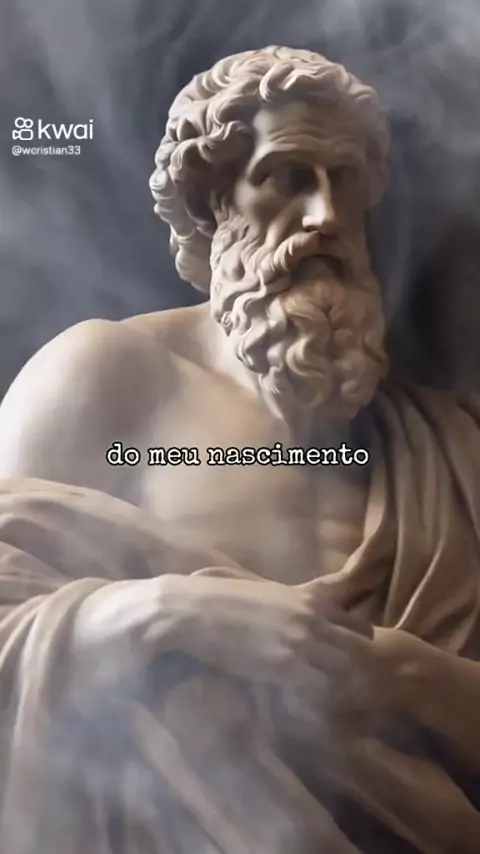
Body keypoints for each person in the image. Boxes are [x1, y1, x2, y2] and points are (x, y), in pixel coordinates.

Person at [0, 45, 479, 853]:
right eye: (286, 177)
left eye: (345, 181)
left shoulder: (450, 446)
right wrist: (159, 614)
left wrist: (403, 674)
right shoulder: (107, 376)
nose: (325, 216)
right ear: (212, 200)